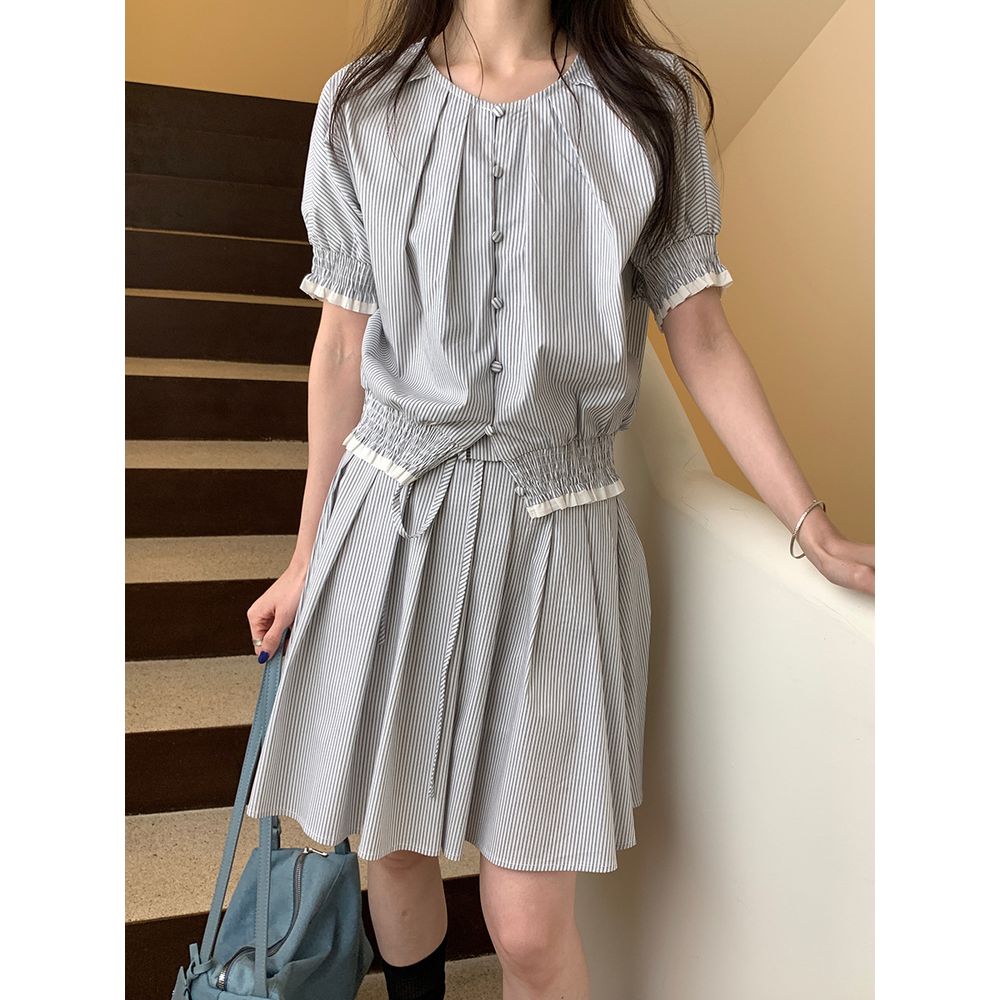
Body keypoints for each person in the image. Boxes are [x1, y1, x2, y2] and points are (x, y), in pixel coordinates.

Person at [243, 13, 876, 1000]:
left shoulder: (646, 103)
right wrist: (303, 556)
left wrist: (811, 524)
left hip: (560, 531)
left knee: (530, 928)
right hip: (391, 517)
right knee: (395, 851)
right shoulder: (363, 105)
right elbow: (340, 348)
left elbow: (701, 334)